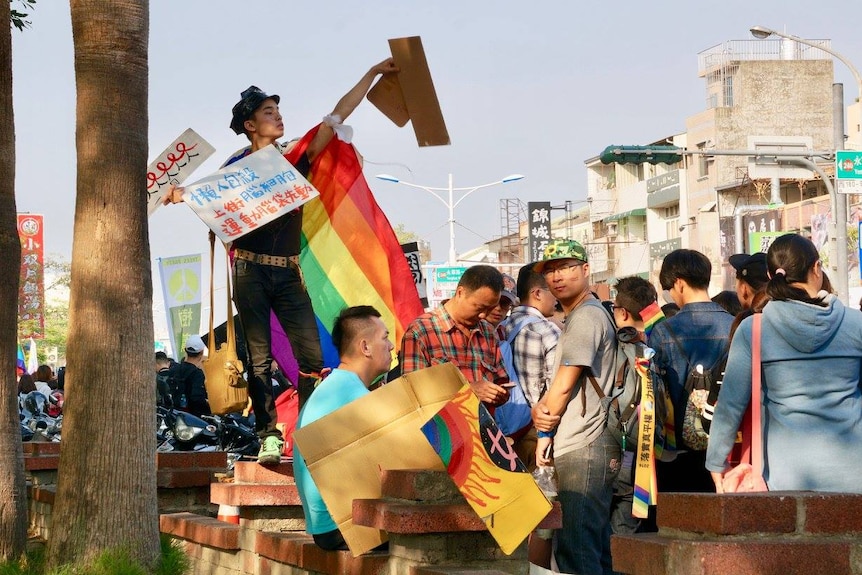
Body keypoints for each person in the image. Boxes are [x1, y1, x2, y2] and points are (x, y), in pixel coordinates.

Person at [164, 58, 399, 465]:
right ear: (250, 125)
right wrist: (180, 194)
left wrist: (374, 72)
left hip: (289, 271)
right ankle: (268, 434)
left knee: (311, 357)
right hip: (250, 271)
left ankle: (308, 426)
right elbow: (208, 199)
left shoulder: (295, 159)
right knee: (258, 356)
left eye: (279, 110)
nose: (279, 117)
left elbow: (338, 114)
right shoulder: (234, 168)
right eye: (268, 112)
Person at [706, 234, 862, 493]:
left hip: (783, 478)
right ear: (816, 269)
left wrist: (715, 462)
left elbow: (731, 403)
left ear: (770, 276)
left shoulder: (753, 330)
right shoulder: (856, 325)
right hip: (854, 472)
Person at [531, 239, 620, 575]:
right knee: (593, 546)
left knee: (577, 549)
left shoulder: (585, 317)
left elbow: (566, 381)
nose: (557, 276)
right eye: (550, 270)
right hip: (591, 443)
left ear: (585, 270)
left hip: (584, 443)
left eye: (566, 267)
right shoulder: (583, 314)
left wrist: (543, 431)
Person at [294, 305, 395, 550]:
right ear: (365, 347)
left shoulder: (335, 386)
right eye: (385, 337)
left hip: (328, 527)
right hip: (342, 527)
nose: (391, 346)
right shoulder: (354, 395)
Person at [648, 249, 733, 493]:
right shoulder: (736, 325)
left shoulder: (664, 332)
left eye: (671, 290)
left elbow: (656, 396)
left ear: (680, 283)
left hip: (676, 455)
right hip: (725, 450)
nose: (672, 296)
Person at [400, 264, 510, 409]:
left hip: (483, 428)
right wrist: (470, 391)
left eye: (490, 309)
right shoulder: (421, 331)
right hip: (441, 429)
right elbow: (412, 393)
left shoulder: (488, 333)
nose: (484, 315)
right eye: (479, 308)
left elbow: (501, 380)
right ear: (460, 293)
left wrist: (499, 393)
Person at [609, 276, 663, 535]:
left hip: (621, 446)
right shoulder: (660, 343)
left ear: (621, 312)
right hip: (655, 449)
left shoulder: (615, 346)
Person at [172, 335, 211, 417]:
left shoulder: (174, 369)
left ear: (185, 350)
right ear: (202, 352)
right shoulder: (197, 374)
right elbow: (197, 398)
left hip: (175, 415)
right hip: (193, 419)